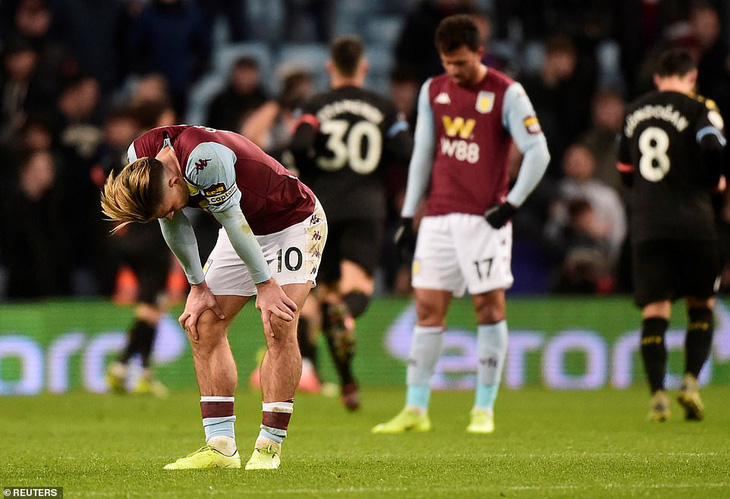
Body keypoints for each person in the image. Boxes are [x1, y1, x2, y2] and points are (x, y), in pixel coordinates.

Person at [101, 124, 327, 470]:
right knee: (203, 323)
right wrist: (197, 287)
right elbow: (172, 223)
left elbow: (234, 221)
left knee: (278, 323)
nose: (172, 212)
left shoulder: (204, 158)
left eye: (168, 206)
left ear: (175, 180)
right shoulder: (142, 163)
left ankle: (269, 446)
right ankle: (220, 446)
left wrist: (265, 285)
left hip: (292, 222)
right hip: (242, 226)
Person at [372, 14, 549, 435]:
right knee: (428, 309)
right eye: (448, 63)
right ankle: (416, 408)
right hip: (437, 218)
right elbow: (423, 153)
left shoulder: (507, 92)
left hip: (483, 220)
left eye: (462, 64)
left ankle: (483, 408)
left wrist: (511, 205)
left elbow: (538, 151)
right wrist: (407, 214)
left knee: (489, 308)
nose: (454, 71)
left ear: (480, 53)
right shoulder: (433, 90)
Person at [286, 36, 413, 409]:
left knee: (316, 295)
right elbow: (405, 151)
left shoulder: (314, 104)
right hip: (365, 207)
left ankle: (332, 377)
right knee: (354, 290)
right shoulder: (384, 107)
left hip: (320, 208)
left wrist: (317, 157)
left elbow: (298, 146)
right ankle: (345, 353)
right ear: (364, 67)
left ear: (330, 67)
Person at [617, 48, 726, 422]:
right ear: (692, 77)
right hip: (695, 224)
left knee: (655, 310)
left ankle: (658, 397)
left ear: (657, 79)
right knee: (701, 306)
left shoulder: (634, 111)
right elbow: (713, 146)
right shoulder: (700, 107)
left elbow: (625, 170)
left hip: (648, 225)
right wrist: (715, 182)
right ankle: (691, 382)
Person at [99, 108, 171, 397]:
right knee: (151, 309)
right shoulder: (157, 154)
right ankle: (121, 365)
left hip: (126, 238)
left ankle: (145, 372)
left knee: (154, 305)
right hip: (151, 237)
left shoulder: (126, 154)